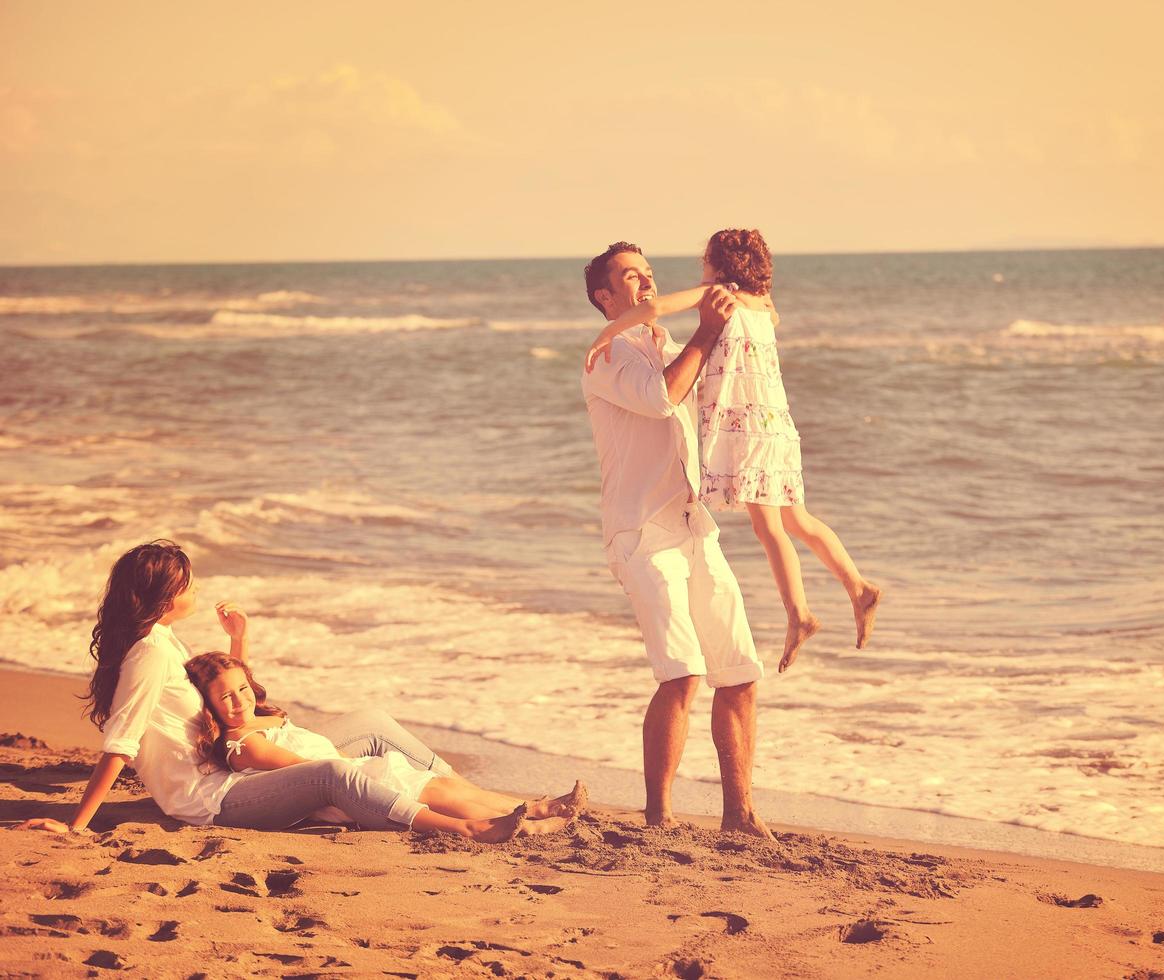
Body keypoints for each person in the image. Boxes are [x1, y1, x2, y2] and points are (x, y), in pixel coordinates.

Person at [16, 540, 565, 843]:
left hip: (234, 759)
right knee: (334, 773)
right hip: (212, 798)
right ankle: (466, 826)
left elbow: (231, 700)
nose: (196, 589)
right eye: (188, 584)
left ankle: (483, 799)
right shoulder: (149, 655)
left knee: (372, 724)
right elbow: (121, 744)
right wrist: (75, 824)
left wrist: (239, 642)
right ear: (163, 596)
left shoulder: (162, 636)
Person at [585, 229, 881, 670]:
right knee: (797, 519)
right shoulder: (764, 306)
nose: (651, 280)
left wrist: (607, 332)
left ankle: (798, 613)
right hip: (778, 423)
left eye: (704, 264)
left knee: (769, 528)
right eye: (634, 275)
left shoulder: (718, 292)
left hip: (749, 427)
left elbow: (656, 307)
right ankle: (858, 586)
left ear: (718, 267)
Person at [580, 241, 772, 838]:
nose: (645, 284)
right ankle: (658, 814)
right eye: (629, 278)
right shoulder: (607, 353)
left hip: (692, 523)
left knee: (739, 669)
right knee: (682, 672)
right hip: (641, 532)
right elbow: (662, 396)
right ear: (604, 297)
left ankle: (739, 814)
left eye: (649, 274)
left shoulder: (663, 341)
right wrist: (706, 331)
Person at [185, 652, 580, 840]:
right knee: (439, 791)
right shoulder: (246, 745)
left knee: (447, 788)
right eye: (226, 699)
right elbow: (306, 768)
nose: (240, 701)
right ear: (209, 708)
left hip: (352, 773)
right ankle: (521, 824)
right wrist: (366, 771)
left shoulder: (250, 717)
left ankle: (531, 810)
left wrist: (237, 638)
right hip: (347, 783)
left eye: (243, 689)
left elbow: (241, 685)